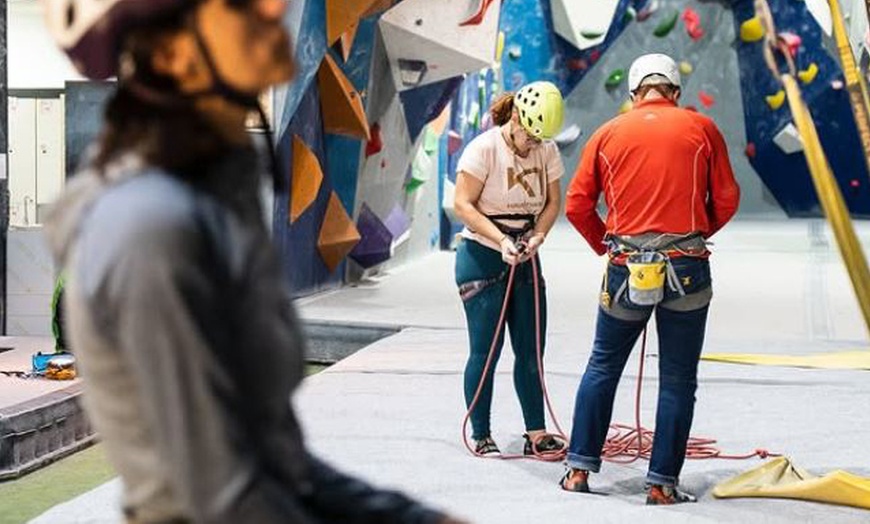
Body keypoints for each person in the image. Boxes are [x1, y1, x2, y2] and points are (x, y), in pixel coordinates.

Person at [42, 1, 464, 522]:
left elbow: (272, 455)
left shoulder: (212, 192)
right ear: (173, 53)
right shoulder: (150, 226)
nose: (271, 21)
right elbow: (218, 490)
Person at [561, 53, 740, 504]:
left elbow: (577, 205)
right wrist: (695, 234)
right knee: (678, 378)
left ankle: (579, 471)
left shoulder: (606, 134)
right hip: (687, 265)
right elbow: (727, 198)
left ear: (634, 93)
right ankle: (661, 483)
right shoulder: (702, 129)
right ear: (675, 92)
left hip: (626, 267)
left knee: (603, 365)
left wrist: (607, 244)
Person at [453, 82, 567, 457]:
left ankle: (535, 432)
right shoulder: (483, 149)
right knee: (486, 350)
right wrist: (499, 238)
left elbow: (552, 203)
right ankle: (481, 431)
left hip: (526, 252)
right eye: (530, 137)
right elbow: (463, 204)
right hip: (483, 253)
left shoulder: (546, 149)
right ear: (516, 118)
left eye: (541, 139)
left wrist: (539, 235)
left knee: (532, 349)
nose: (534, 146)